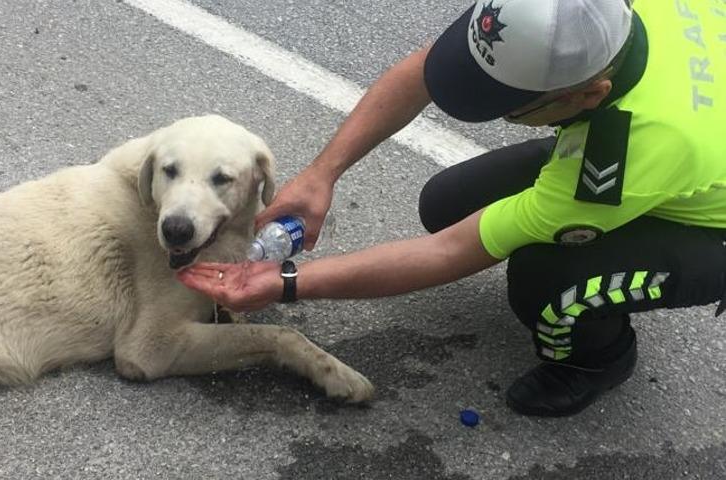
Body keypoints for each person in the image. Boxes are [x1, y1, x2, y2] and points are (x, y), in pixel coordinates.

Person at [178, 0, 725, 417]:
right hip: (682, 151)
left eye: (508, 106)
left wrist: (286, 279)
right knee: (448, 202)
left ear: (587, 95)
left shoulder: (621, 159)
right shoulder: (568, 18)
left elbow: (450, 251)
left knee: (548, 283)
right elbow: (423, 72)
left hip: (705, 219)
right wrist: (323, 174)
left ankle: (595, 359)